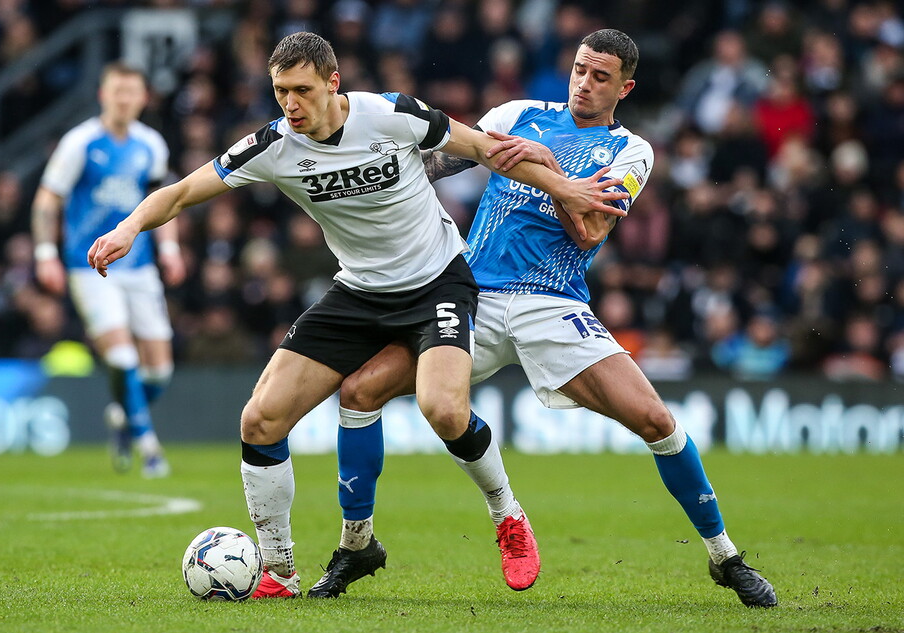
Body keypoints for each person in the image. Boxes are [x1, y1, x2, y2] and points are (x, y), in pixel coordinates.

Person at [86, 32, 626, 599]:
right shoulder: (271, 146)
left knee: (443, 408)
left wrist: (571, 190)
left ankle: (508, 516)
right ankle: (279, 570)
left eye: (301, 90)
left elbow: (490, 151)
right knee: (259, 421)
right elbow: (178, 193)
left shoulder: (392, 114)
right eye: (279, 92)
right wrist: (127, 229)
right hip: (358, 294)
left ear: (333, 83)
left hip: (437, 283)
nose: (290, 105)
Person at [325, 29, 778, 608]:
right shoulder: (517, 113)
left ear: (625, 88)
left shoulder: (631, 150)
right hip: (473, 294)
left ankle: (725, 557)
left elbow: (592, 229)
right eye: (580, 70)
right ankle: (356, 544)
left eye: (600, 77)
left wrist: (542, 173)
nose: (584, 84)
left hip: (554, 303)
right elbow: (436, 163)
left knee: (656, 420)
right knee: (360, 391)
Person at [32, 62, 185, 478]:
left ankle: (122, 416)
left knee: (160, 371)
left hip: (139, 266)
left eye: (131, 91)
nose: (124, 98)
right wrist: (46, 253)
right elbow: (48, 200)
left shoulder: (151, 144)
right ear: (103, 95)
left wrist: (169, 248)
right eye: (116, 91)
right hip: (90, 265)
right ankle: (150, 448)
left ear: (143, 98)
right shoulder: (79, 142)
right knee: (121, 356)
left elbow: (162, 204)